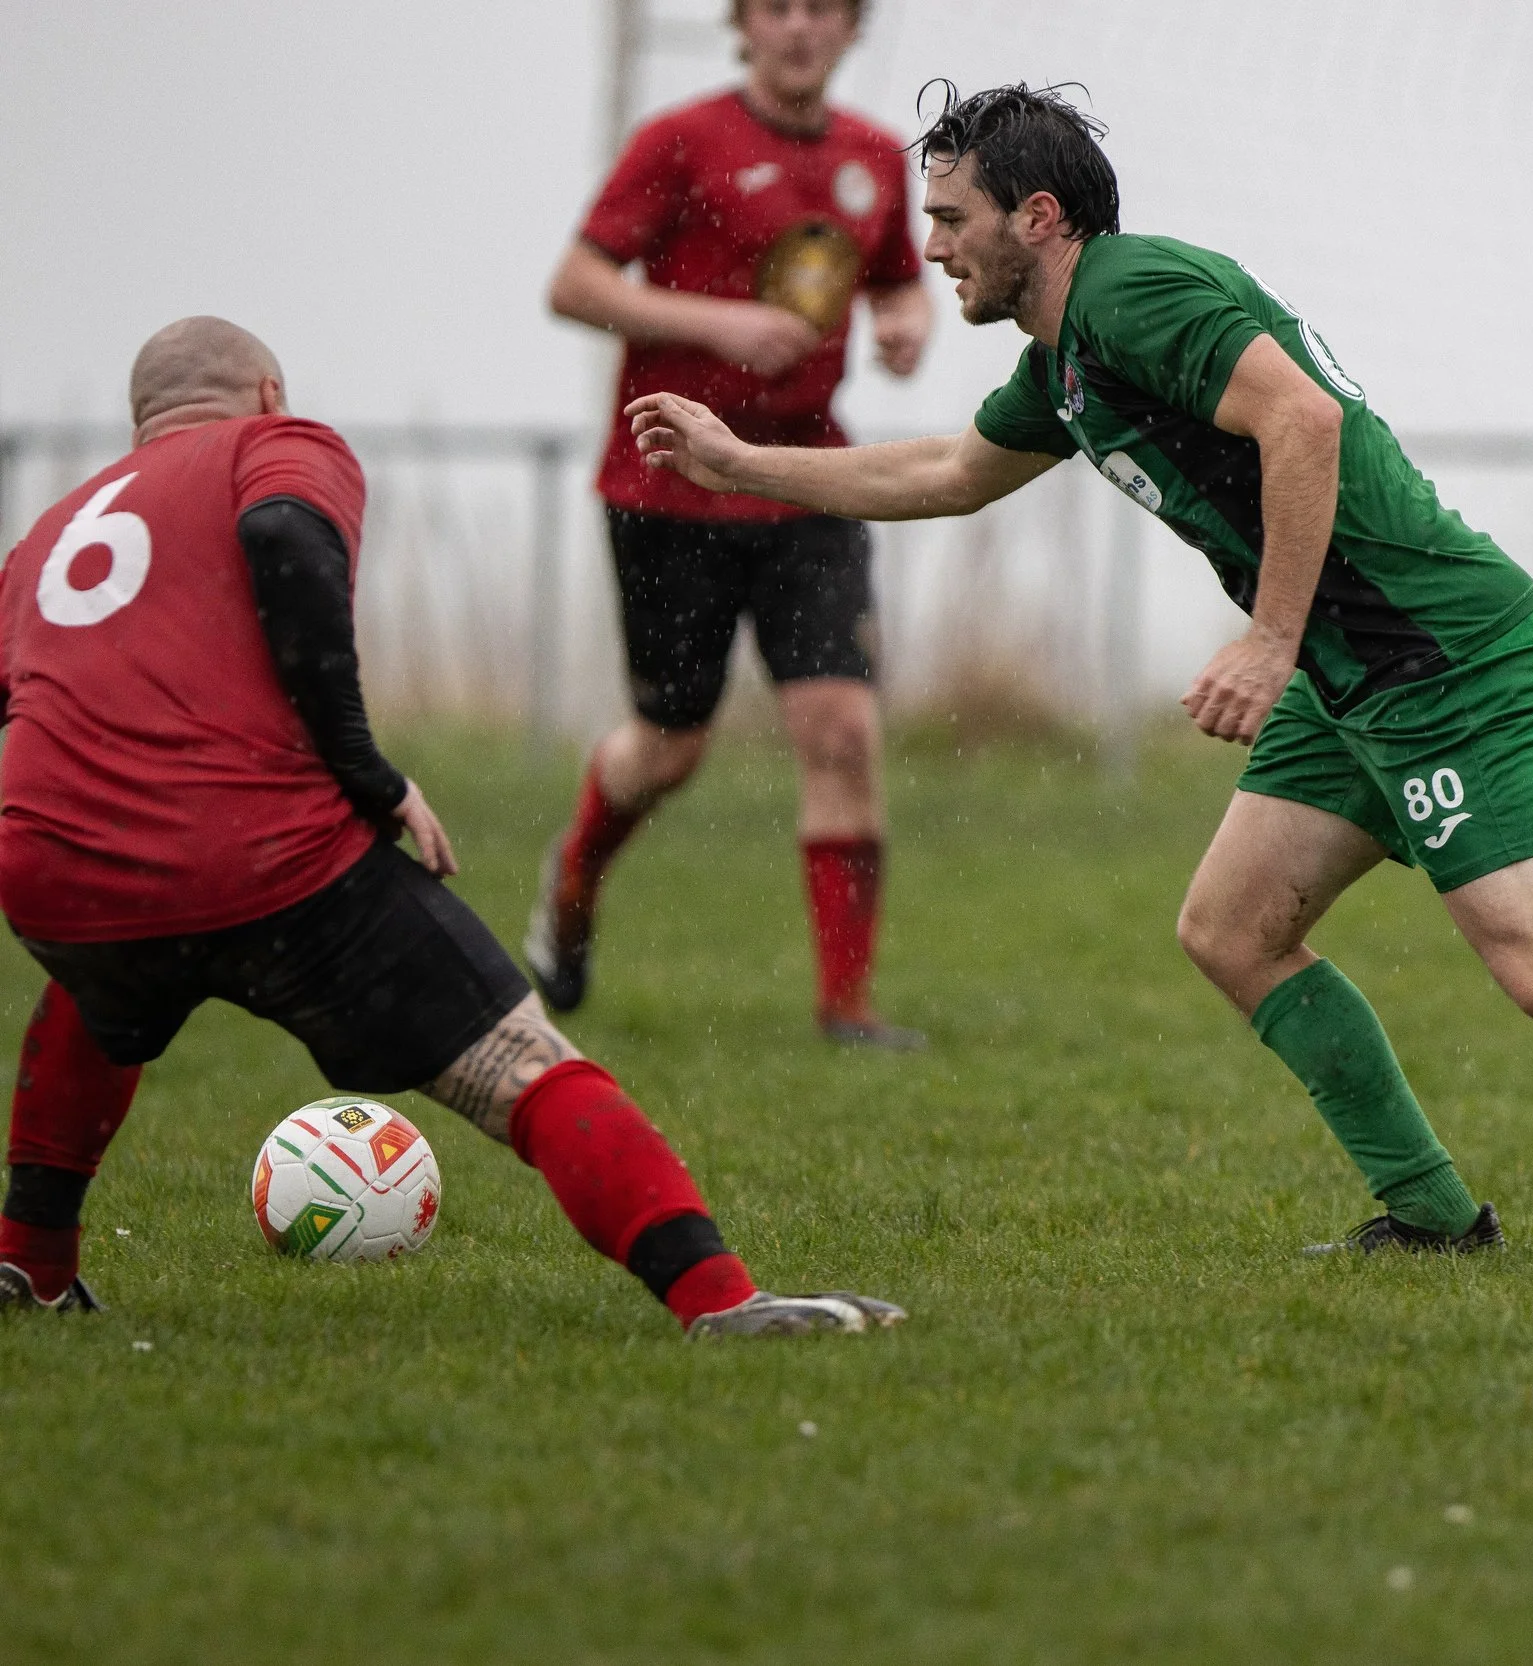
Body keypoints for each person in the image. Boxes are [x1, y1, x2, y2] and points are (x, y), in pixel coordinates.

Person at [629, 84, 1533, 1255]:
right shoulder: (1063, 359)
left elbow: (1298, 424)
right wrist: (746, 462)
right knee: (1233, 926)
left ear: (1037, 219)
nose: (933, 246)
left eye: (952, 218)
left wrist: (1269, 637)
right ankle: (1431, 1219)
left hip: (1441, 652)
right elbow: (945, 470)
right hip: (1360, 676)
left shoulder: (1136, 294)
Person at [0, 317, 900, 1337]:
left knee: (99, 983)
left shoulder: (48, 536)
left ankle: (28, 1260)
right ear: (265, 392)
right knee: (518, 1063)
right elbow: (286, 538)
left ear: (141, 425)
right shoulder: (279, 445)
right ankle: (720, 1300)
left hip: (53, 874)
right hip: (262, 857)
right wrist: (370, 778)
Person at [537, 0, 931, 1047]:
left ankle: (846, 1009)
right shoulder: (679, 139)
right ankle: (574, 874)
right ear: (742, 26)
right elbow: (572, 286)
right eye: (776, 9)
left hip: (809, 482)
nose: (799, 30)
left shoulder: (870, 157)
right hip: (668, 488)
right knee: (670, 748)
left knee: (842, 732)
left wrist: (906, 324)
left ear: (852, 29)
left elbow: (899, 280)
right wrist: (718, 321)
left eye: (822, 12)